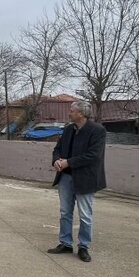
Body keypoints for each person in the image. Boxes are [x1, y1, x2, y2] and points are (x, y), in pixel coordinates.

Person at [47, 101, 107, 263]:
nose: (69, 113)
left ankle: (84, 246)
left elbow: (93, 155)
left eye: (72, 111)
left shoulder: (97, 131)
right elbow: (57, 149)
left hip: (85, 179)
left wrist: (68, 162)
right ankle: (65, 243)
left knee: (85, 214)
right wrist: (56, 161)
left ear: (81, 113)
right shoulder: (68, 130)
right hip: (66, 177)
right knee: (65, 212)